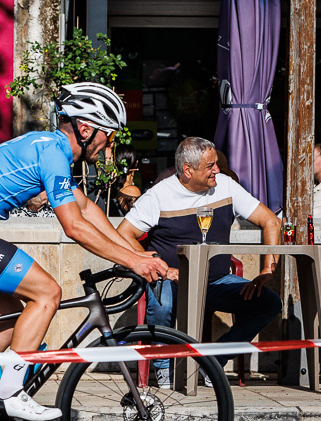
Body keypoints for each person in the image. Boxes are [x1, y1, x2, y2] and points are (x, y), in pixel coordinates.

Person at [0, 82, 168, 421]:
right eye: (108, 137)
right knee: (48, 292)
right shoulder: (53, 153)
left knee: (9, 322)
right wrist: (132, 261)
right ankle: (10, 393)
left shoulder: (48, 147)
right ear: (85, 129)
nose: (109, 148)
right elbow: (74, 227)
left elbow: (89, 210)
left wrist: (141, 255)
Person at [117, 136, 282, 389]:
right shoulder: (159, 195)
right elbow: (123, 233)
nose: (217, 170)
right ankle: (164, 368)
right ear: (187, 170)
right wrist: (158, 266)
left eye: (215, 164)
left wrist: (267, 269)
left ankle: (214, 361)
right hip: (172, 280)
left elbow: (271, 221)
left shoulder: (225, 186)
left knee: (269, 303)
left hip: (214, 281)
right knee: (162, 303)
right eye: (210, 166)